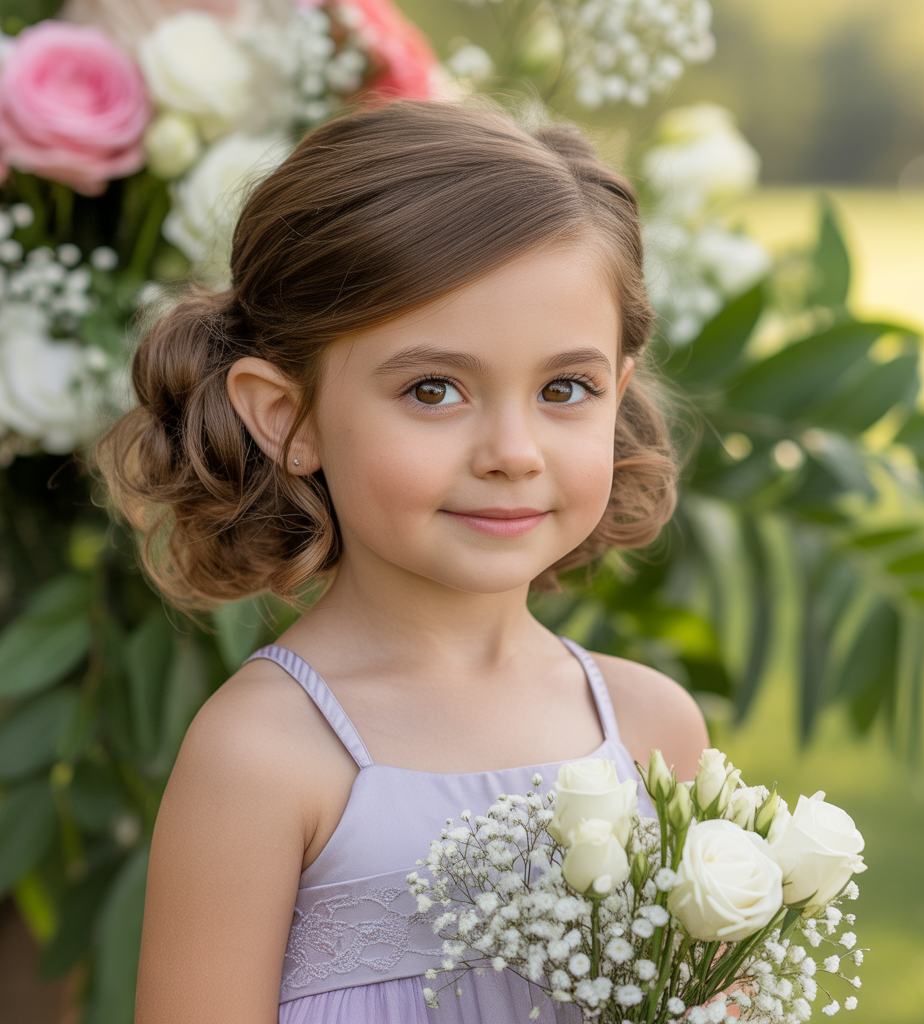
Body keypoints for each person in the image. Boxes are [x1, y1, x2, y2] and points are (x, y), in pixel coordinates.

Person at [98, 100, 709, 1024]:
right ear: (287, 417)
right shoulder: (265, 755)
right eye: (434, 389)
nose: (514, 449)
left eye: (564, 389)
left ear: (616, 395)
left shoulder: (652, 729)